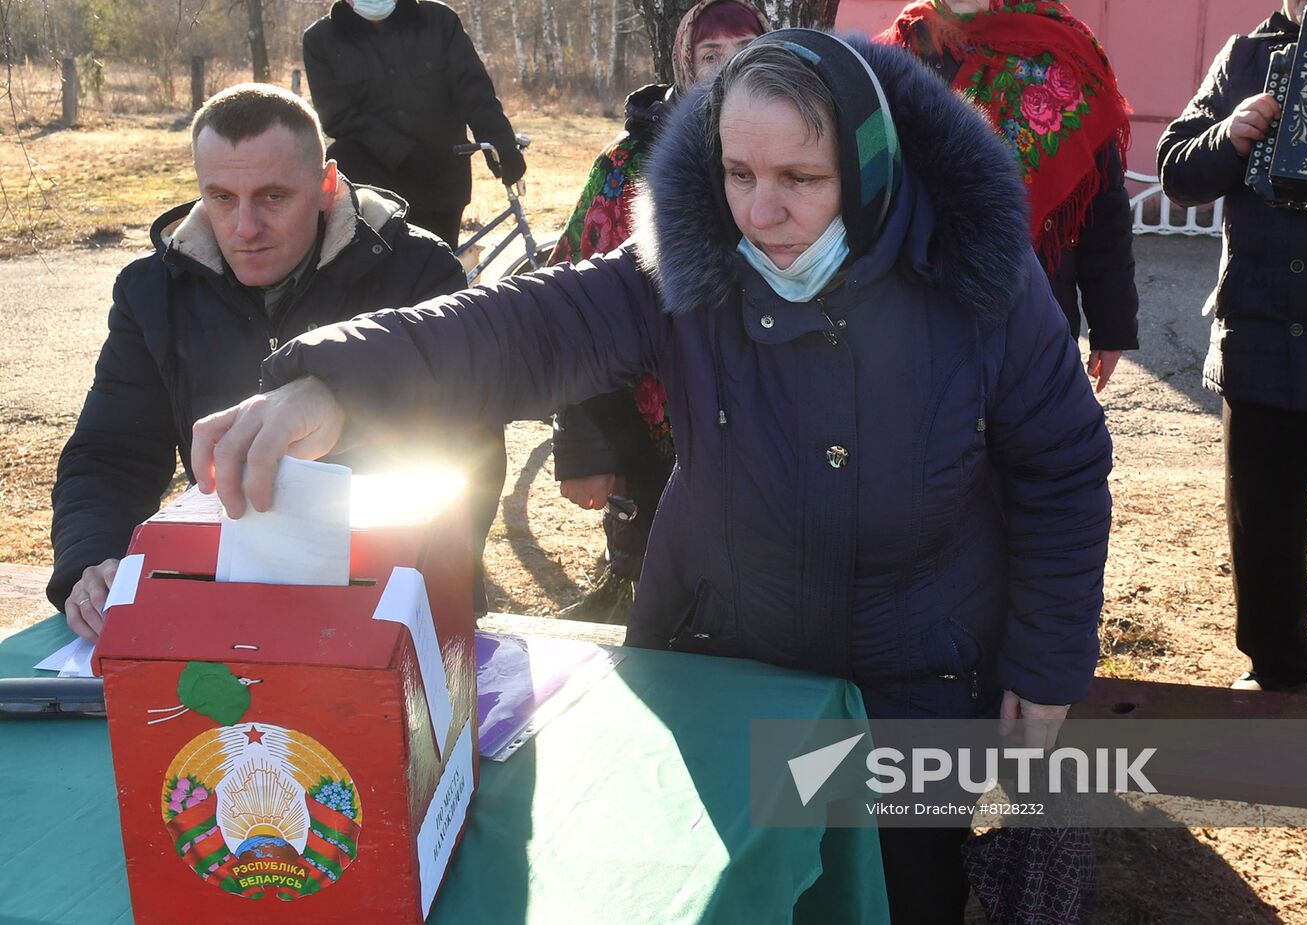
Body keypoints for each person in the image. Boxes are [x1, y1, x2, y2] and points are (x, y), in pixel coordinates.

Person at [191, 32, 1113, 920]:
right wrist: (336, 381)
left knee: (898, 892)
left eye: (802, 179)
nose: (761, 212)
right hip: (722, 667)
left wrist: (1046, 658)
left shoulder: (978, 281)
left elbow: (1062, 465)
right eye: (739, 175)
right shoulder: (690, 264)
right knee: (728, 888)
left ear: (870, 172)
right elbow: (524, 327)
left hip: (917, 676)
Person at [48, 83, 474, 640]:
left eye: (274, 197)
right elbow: (110, 454)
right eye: (221, 198)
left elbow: (463, 449)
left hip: (400, 594)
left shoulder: (418, 271)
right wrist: (93, 562)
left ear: (325, 186)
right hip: (218, 599)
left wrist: (396, 585)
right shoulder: (153, 292)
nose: (245, 229)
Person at [1157, 0, 1307, 699]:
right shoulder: (1245, 55)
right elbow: (1175, 168)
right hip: (1260, 349)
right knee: (1262, 541)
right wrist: (1228, 138)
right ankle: (1274, 679)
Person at [548, 0, 771, 620]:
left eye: (744, 52)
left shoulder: (798, 156)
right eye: (710, 56)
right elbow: (574, 303)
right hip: (647, 423)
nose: (728, 70)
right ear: (683, 64)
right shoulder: (624, 169)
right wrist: (585, 441)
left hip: (764, 420)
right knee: (649, 590)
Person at [878, 0, 1139, 393]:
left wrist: (1112, 325)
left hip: (1034, 304)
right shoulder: (905, 46)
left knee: (1030, 441)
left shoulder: (1065, 51)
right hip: (919, 309)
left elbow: (1104, 206)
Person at [302, 0, 525, 249]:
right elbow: (337, 116)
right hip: (372, 193)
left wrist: (502, 145)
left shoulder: (438, 21)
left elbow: (474, 90)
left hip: (442, 182)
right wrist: (402, 153)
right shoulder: (320, 40)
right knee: (380, 281)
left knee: (439, 276)